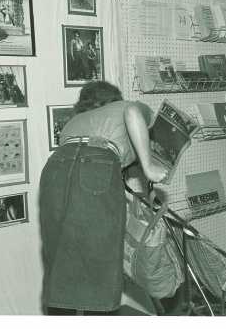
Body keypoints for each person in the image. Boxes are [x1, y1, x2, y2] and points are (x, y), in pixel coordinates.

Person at [39, 81, 168, 315]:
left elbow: (79, 159)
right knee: (101, 256)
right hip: (95, 167)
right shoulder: (125, 107)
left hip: (54, 171)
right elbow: (131, 114)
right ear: (115, 97)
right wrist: (149, 166)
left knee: (61, 254)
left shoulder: (74, 122)